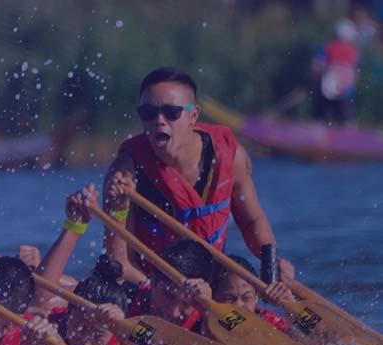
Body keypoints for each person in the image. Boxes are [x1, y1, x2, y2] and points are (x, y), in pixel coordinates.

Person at [103, 67, 295, 287]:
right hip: (148, 287)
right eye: (148, 113)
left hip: (208, 283)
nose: (159, 120)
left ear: (193, 115)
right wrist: (161, 292)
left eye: (171, 112)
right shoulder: (125, 175)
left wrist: (271, 266)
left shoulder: (232, 159)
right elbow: (119, 262)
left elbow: (253, 221)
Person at [311, 19, 361, 124]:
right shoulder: (353, 51)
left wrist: (315, 79)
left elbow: (316, 66)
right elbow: (355, 73)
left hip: (326, 89)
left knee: (322, 119)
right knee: (346, 120)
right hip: (345, 92)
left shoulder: (327, 47)